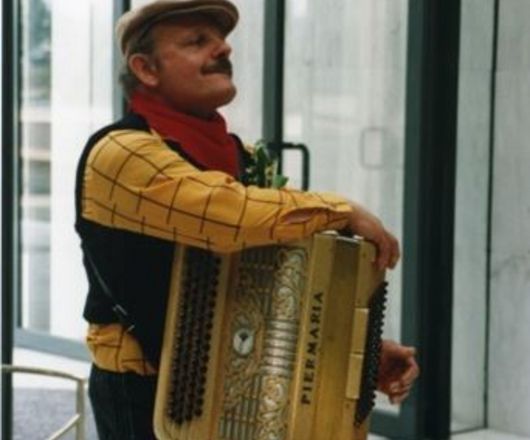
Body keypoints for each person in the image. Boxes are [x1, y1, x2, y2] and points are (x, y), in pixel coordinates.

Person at [75, 0, 419, 438]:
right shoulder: (120, 153)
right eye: (197, 41)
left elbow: (281, 283)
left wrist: (357, 355)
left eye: (222, 40)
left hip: (237, 388)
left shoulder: (243, 157)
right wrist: (341, 210)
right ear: (146, 69)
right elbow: (228, 218)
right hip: (145, 396)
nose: (223, 49)